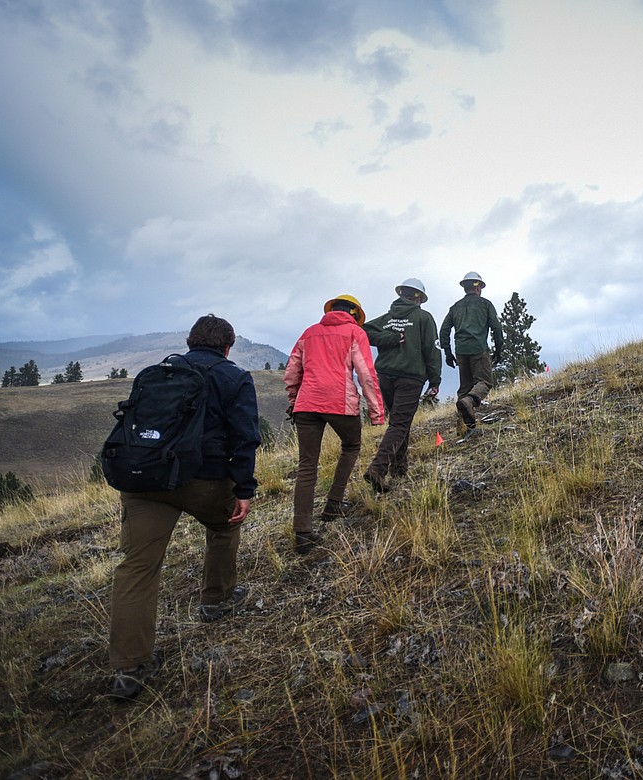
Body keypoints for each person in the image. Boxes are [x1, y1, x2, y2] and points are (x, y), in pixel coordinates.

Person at [108, 314, 261, 700]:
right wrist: (244, 488)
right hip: (203, 481)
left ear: (191, 342)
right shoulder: (235, 378)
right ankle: (216, 600)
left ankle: (129, 668)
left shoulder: (158, 372)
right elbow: (246, 437)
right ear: (228, 346)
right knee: (225, 525)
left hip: (146, 481)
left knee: (136, 567)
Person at [284, 295, 385, 554]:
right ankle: (333, 505)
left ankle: (303, 533)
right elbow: (366, 373)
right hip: (340, 402)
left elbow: (292, 370)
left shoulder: (309, 332)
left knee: (306, 466)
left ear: (330, 311)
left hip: (307, 403)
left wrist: (295, 400)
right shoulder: (355, 333)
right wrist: (377, 412)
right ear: (354, 313)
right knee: (351, 446)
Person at [362, 278, 442, 492]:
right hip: (410, 378)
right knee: (399, 423)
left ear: (401, 294)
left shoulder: (387, 319)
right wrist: (435, 380)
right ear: (418, 297)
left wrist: (386, 337)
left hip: (385, 377)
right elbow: (432, 350)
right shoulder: (423, 317)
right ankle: (377, 469)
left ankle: (399, 469)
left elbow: (363, 331)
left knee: (400, 422)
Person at [439, 271, 503, 431]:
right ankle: (470, 402)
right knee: (485, 382)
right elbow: (496, 328)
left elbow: (444, 330)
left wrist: (447, 352)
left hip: (461, 351)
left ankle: (463, 427)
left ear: (464, 288)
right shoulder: (485, 304)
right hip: (478, 350)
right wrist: (499, 349)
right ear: (479, 288)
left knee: (465, 387)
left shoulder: (455, 307)